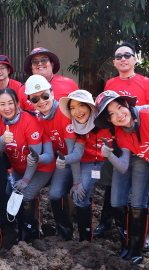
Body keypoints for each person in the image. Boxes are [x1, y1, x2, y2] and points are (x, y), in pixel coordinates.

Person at [96, 90, 149, 264]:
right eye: (112, 114)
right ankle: (125, 247)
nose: (119, 115)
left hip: (145, 157)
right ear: (108, 120)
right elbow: (123, 166)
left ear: (127, 105)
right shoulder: (118, 132)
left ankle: (136, 250)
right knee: (116, 201)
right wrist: (110, 155)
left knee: (138, 201)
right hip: (127, 152)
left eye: (120, 108)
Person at [97, 42, 149, 245]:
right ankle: (111, 225)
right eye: (118, 56)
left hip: (142, 143)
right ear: (114, 62)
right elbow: (107, 114)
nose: (123, 59)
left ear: (134, 59)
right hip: (119, 143)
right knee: (113, 187)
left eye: (127, 55)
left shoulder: (147, 83)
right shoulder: (110, 84)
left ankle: (145, 236)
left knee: (142, 192)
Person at [0, 88, 54, 242]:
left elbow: (35, 156)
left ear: (18, 104)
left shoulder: (29, 121)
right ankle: (15, 225)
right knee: (7, 192)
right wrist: (2, 140)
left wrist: (26, 180)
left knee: (24, 195)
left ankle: (30, 231)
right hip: (17, 168)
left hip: (40, 168)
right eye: (2, 104)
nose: (7, 108)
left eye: (10, 103)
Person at [25, 75, 79, 241]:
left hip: (75, 158)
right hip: (58, 160)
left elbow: (73, 150)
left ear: (52, 93)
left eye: (45, 96)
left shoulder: (63, 114)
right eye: (35, 99)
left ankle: (68, 233)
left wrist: (77, 181)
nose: (41, 101)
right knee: (53, 193)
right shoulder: (38, 118)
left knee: (58, 193)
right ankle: (57, 230)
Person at [59, 90, 109, 242]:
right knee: (77, 194)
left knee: (83, 195)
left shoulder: (108, 122)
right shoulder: (79, 127)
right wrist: (64, 159)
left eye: (81, 105)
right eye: (72, 108)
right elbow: (78, 154)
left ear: (91, 107)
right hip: (86, 162)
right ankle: (82, 236)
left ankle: (88, 237)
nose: (77, 111)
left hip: (107, 162)